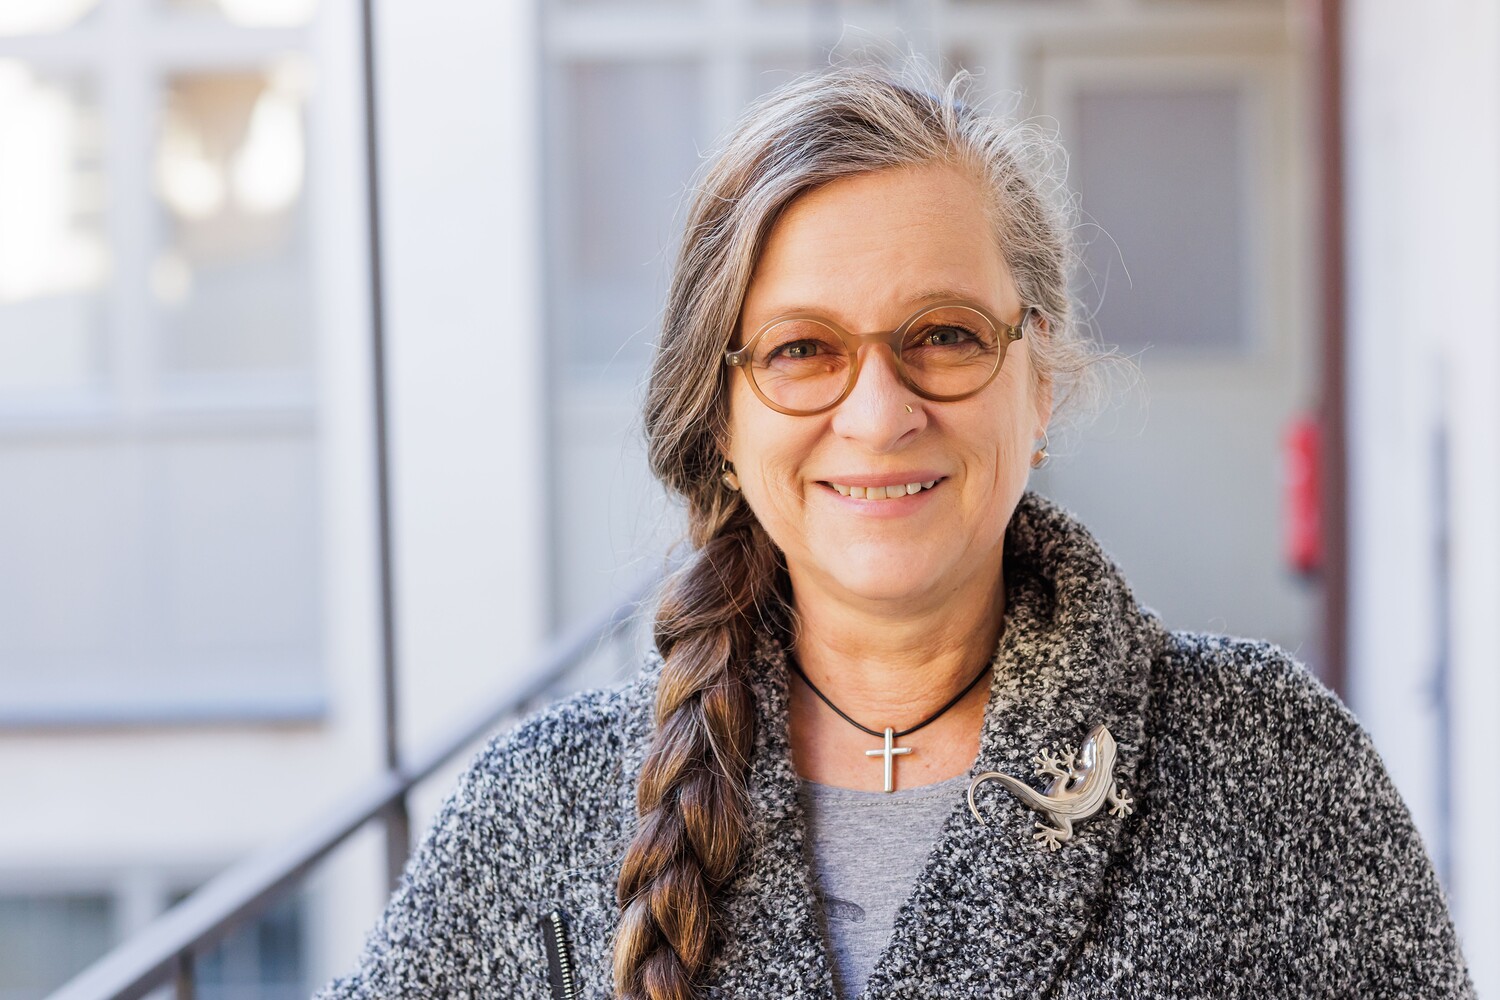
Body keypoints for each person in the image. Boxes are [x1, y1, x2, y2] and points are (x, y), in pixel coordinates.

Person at [317, 65, 1473, 1000]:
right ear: (721, 419)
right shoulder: (544, 810)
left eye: (945, 335)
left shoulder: (1272, 764)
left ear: (1040, 381)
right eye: (802, 350)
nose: (879, 415)